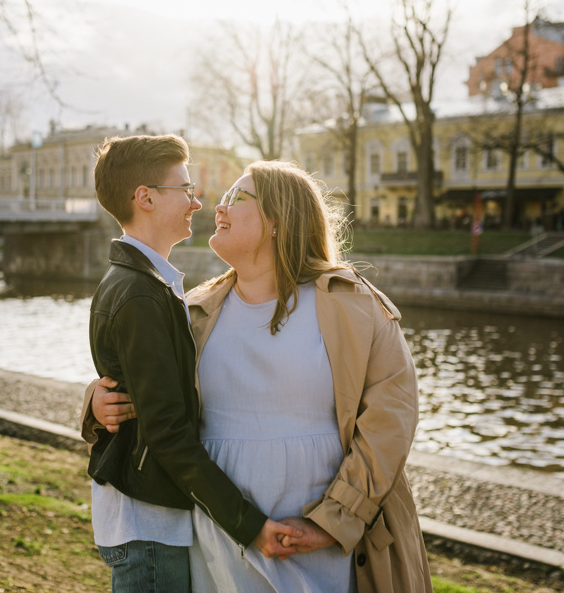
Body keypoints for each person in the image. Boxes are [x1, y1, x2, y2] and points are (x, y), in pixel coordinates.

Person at [92, 160, 433, 592]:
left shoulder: (355, 305)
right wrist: (95, 400)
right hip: (218, 542)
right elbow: (145, 384)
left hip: (323, 547)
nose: (218, 206)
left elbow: (391, 420)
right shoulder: (192, 312)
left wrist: (331, 523)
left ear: (278, 219)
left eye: (238, 198)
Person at [82, 136, 300, 593]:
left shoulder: (149, 285)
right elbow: (167, 433)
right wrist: (250, 524)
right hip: (150, 522)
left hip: (149, 516)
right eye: (185, 189)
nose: (197, 202)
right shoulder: (141, 294)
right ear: (145, 198)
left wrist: (91, 404)